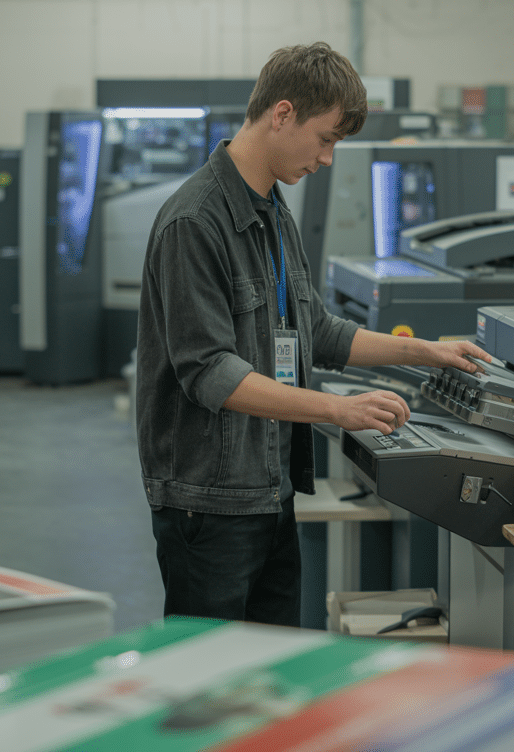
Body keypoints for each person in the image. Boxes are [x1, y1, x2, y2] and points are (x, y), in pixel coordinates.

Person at [136, 42, 490, 627]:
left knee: (273, 664)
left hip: (269, 489)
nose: (327, 159)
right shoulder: (194, 221)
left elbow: (316, 330)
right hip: (211, 503)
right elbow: (209, 372)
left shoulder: (274, 211)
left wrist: (425, 352)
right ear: (282, 114)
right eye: (325, 139)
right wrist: (337, 409)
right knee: (212, 668)